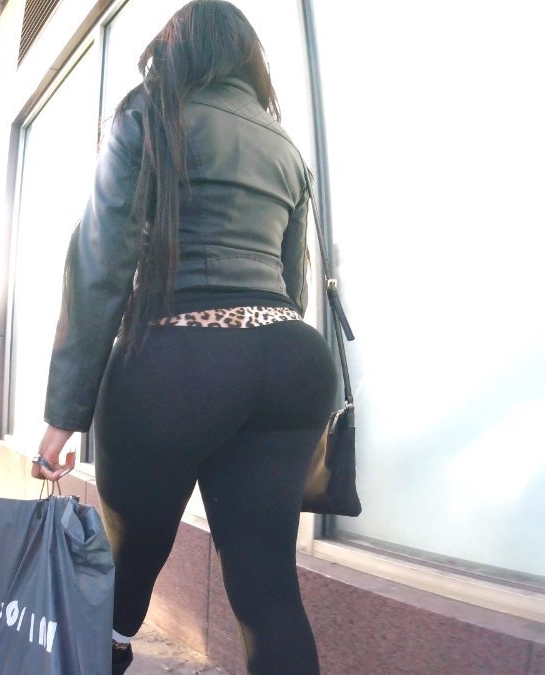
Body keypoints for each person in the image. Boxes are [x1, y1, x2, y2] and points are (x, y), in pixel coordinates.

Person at [34, 3, 335, 673]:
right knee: (267, 588)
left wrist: (63, 414)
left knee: (123, 576)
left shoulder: (150, 113)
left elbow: (101, 264)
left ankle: (110, 644)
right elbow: (292, 282)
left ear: (174, 52)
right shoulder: (282, 143)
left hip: (179, 358)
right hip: (291, 358)